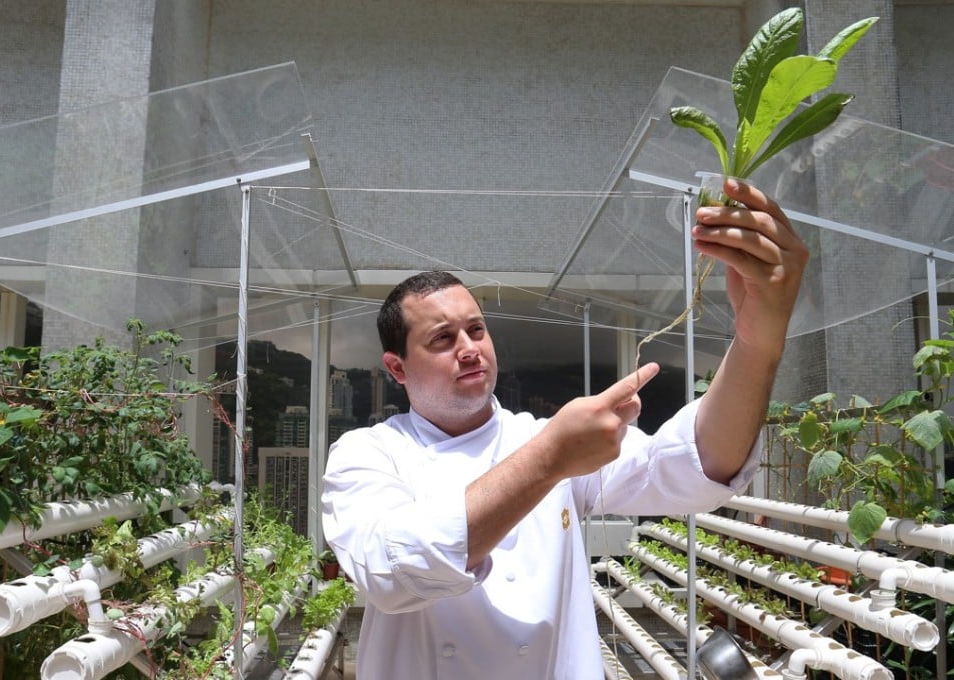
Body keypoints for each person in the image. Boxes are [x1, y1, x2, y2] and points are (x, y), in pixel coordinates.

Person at [321, 178, 807, 679]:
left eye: (477, 328)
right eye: (442, 338)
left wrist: (757, 340)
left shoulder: (545, 437)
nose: (469, 347)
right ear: (397, 368)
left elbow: (690, 465)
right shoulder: (368, 453)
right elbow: (392, 569)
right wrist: (549, 459)